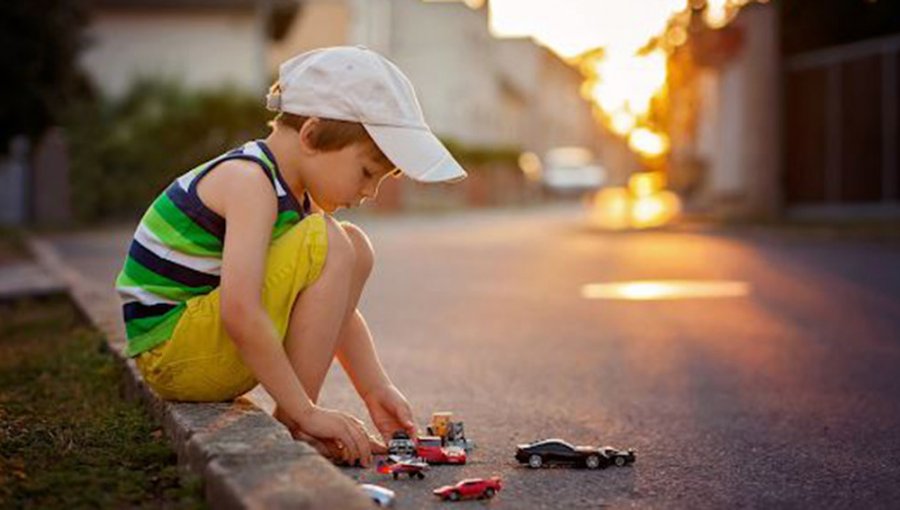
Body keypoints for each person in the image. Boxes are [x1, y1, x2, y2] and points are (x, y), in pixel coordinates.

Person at [114, 46, 467, 468]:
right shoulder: (250, 181)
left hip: (202, 351)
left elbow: (335, 310)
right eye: (368, 173)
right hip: (173, 353)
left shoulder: (294, 198)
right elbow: (240, 311)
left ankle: (296, 420)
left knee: (354, 246)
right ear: (311, 135)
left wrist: (375, 389)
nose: (369, 192)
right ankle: (297, 422)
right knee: (336, 242)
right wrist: (306, 411)